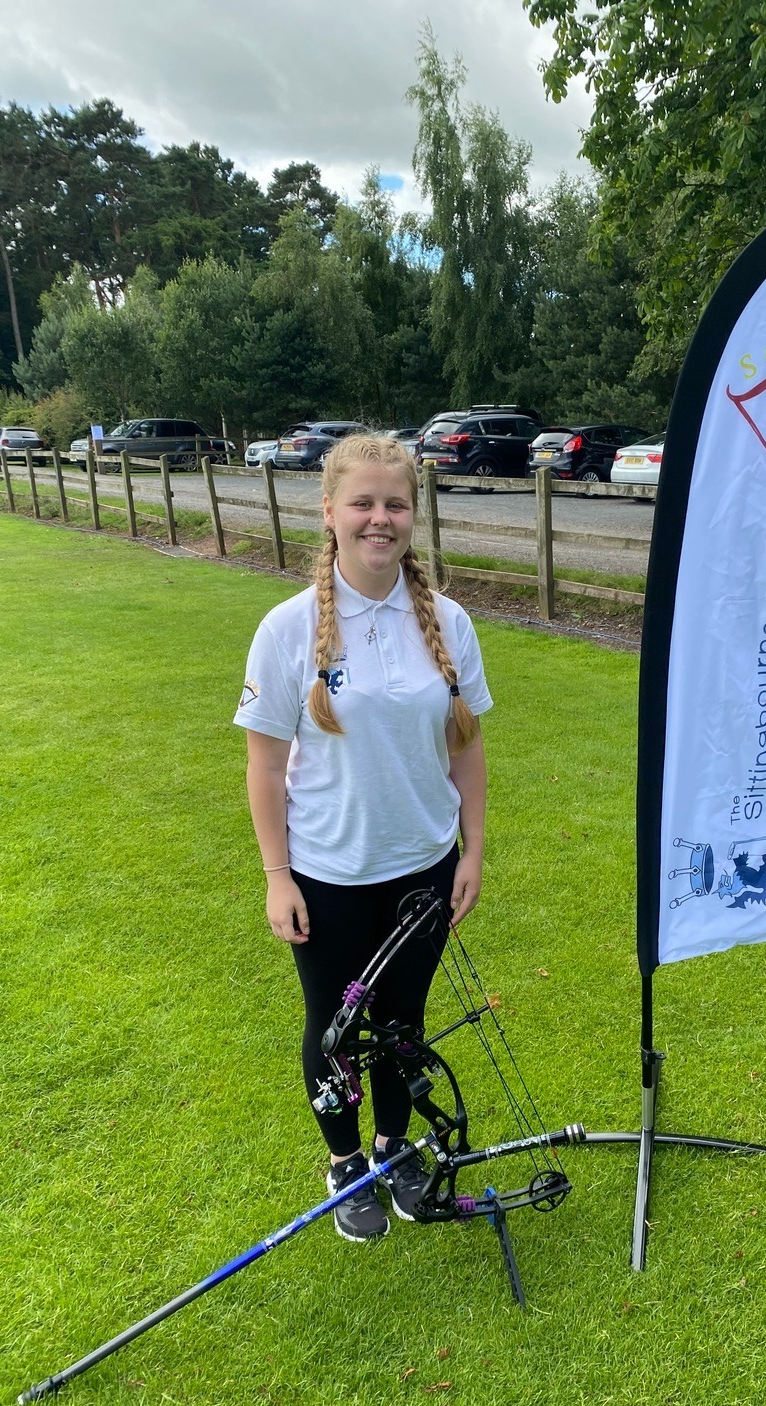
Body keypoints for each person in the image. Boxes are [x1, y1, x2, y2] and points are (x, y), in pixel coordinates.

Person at [234, 433, 491, 1241]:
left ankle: (393, 1147)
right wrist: (278, 876)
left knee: (403, 1023)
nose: (381, 519)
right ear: (331, 513)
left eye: (396, 504)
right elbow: (265, 765)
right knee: (336, 1026)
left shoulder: (447, 621)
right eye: (364, 503)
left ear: (414, 514)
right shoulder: (287, 629)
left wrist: (473, 850)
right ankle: (348, 1163)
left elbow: (467, 745)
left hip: (423, 868)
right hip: (327, 873)